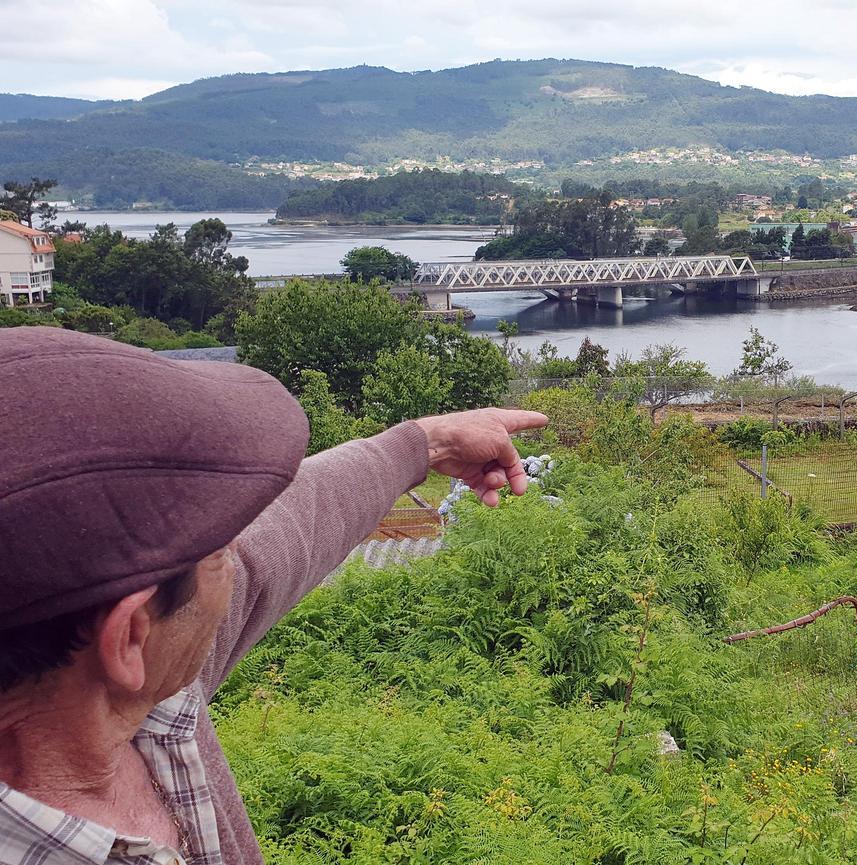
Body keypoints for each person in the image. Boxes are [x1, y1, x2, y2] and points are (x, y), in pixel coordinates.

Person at [0, 328, 547, 864]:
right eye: (218, 550)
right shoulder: (153, 685)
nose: (238, 559)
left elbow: (293, 527)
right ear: (130, 638)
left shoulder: (133, 694)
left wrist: (428, 444)